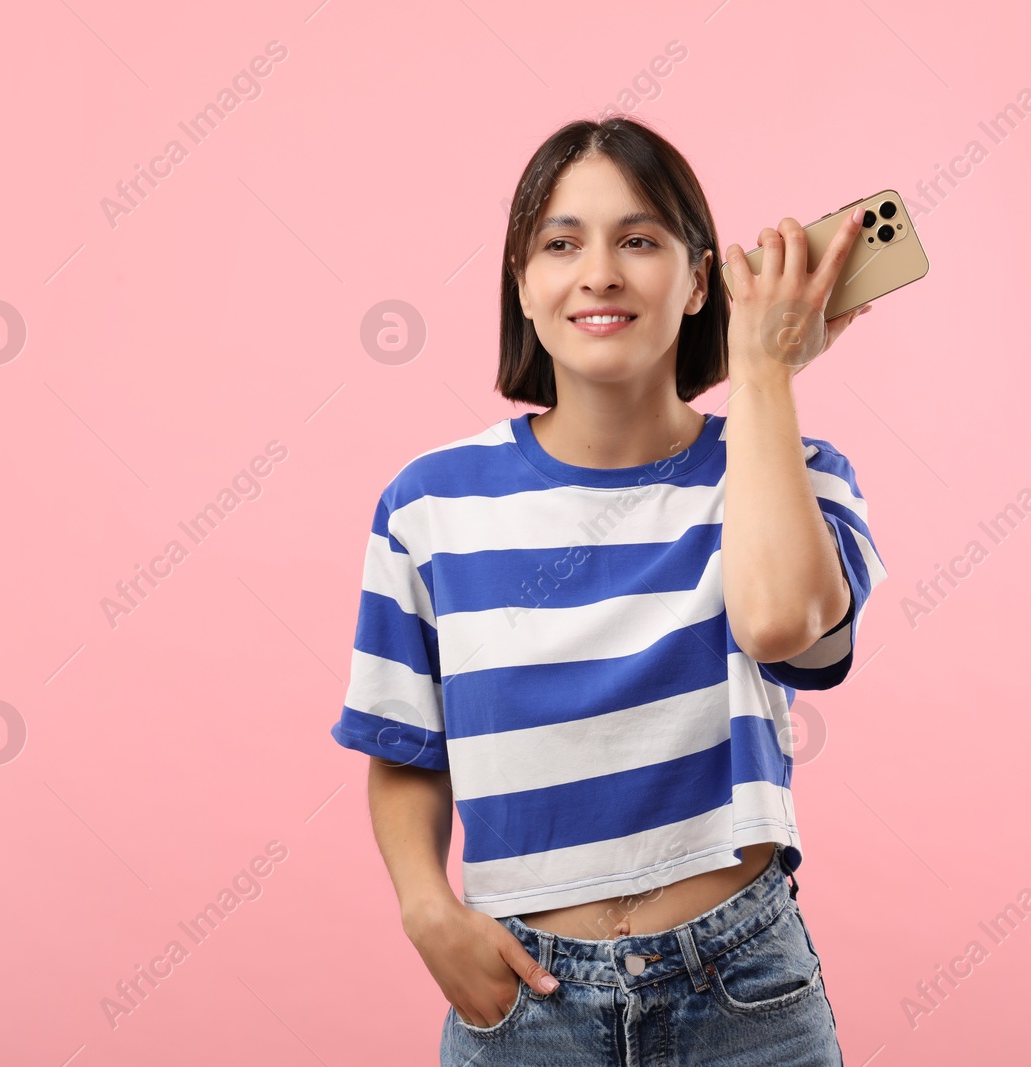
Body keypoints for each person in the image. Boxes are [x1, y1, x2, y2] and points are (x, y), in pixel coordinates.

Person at [330, 115, 887, 1065]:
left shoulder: (793, 472)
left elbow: (781, 622)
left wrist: (764, 373)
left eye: (639, 240)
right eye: (561, 242)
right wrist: (428, 912)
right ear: (521, 281)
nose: (599, 272)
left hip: (742, 991)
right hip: (523, 1002)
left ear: (702, 278)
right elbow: (404, 745)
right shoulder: (427, 504)